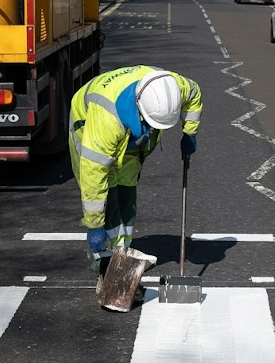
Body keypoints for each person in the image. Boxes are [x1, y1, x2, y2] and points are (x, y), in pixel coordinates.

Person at [68, 65, 204, 276]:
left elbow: (194, 94)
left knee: (127, 188)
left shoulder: (175, 87)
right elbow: (93, 175)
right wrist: (94, 225)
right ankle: (106, 259)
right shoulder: (105, 121)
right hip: (88, 122)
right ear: (140, 108)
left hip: (130, 132)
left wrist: (189, 133)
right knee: (108, 194)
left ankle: (123, 250)